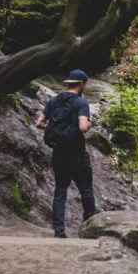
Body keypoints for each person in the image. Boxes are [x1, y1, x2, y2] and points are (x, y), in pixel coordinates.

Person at [35, 69, 98, 238]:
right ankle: (91, 227)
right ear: (81, 84)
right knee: (86, 189)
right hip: (77, 153)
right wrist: (89, 126)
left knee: (60, 190)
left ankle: (58, 230)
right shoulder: (81, 102)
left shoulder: (54, 100)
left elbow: (39, 123)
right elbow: (83, 127)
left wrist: (55, 130)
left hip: (59, 153)